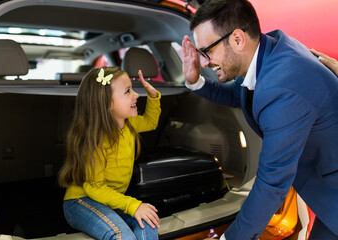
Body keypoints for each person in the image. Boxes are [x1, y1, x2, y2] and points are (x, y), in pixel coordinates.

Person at [182, 0, 338, 239]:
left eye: (207, 51)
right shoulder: (270, 50)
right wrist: (196, 81)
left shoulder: (284, 86)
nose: (204, 62)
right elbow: (237, 94)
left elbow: (271, 182)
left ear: (237, 39)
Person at [58, 66, 161, 240]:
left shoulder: (129, 125)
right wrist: (132, 204)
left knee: (148, 223)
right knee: (122, 235)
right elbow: (94, 188)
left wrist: (153, 96)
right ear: (106, 102)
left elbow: (151, 122)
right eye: (128, 91)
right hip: (80, 202)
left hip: (110, 201)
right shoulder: (97, 140)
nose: (136, 95)